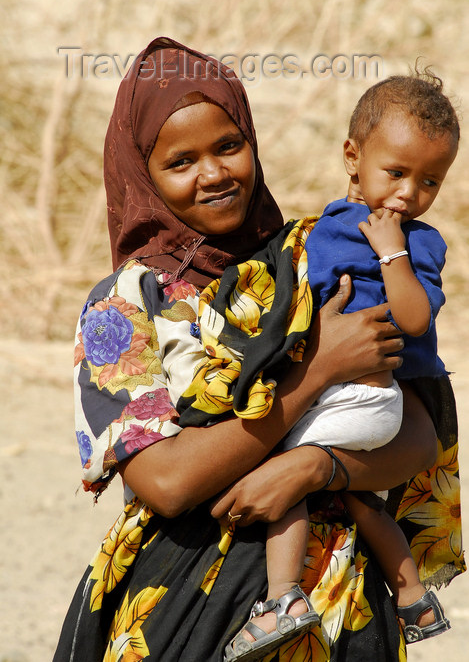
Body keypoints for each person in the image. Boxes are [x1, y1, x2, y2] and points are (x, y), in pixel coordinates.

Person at [53, 37, 464, 662]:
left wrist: (313, 468)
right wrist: (317, 370)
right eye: (180, 161)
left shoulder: (320, 255)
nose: (214, 173)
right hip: (180, 601)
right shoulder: (123, 306)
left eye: (228, 146)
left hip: (335, 601)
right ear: (141, 172)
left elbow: (415, 433)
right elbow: (165, 483)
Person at [188, 72, 458, 661]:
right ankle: (414, 596)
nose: (409, 195)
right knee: (361, 501)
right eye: (397, 173)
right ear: (352, 159)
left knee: (287, 481)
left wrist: (393, 253)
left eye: (430, 181)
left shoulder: (420, 245)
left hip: (368, 396)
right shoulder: (326, 225)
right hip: (333, 394)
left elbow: (414, 320)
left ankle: (281, 600)